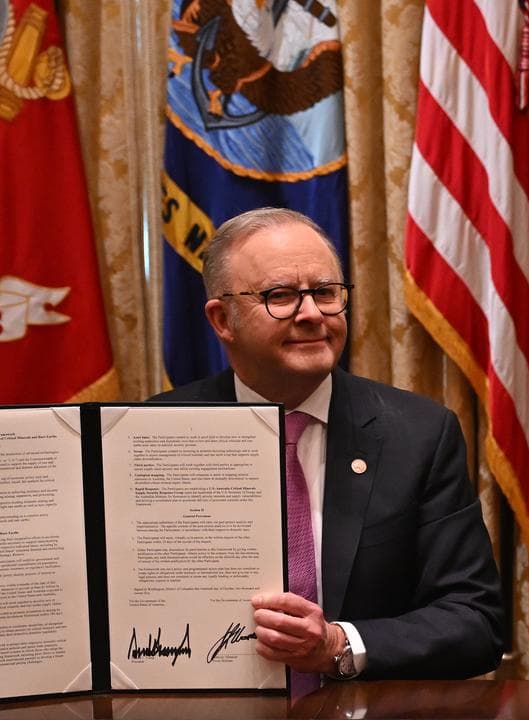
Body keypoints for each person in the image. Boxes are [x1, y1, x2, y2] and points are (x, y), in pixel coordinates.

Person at [152, 208, 503, 683]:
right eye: (280, 296)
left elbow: (475, 622)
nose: (313, 314)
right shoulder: (155, 437)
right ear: (222, 320)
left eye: (325, 293)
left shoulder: (419, 435)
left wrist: (339, 644)